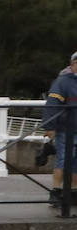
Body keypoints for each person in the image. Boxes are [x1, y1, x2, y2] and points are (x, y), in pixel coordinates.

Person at [41, 50, 77, 207]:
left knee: (76, 161)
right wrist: (50, 126)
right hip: (66, 128)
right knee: (64, 158)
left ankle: (74, 192)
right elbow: (52, 104)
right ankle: (55, 191)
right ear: (72, 64)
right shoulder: (62, 82)